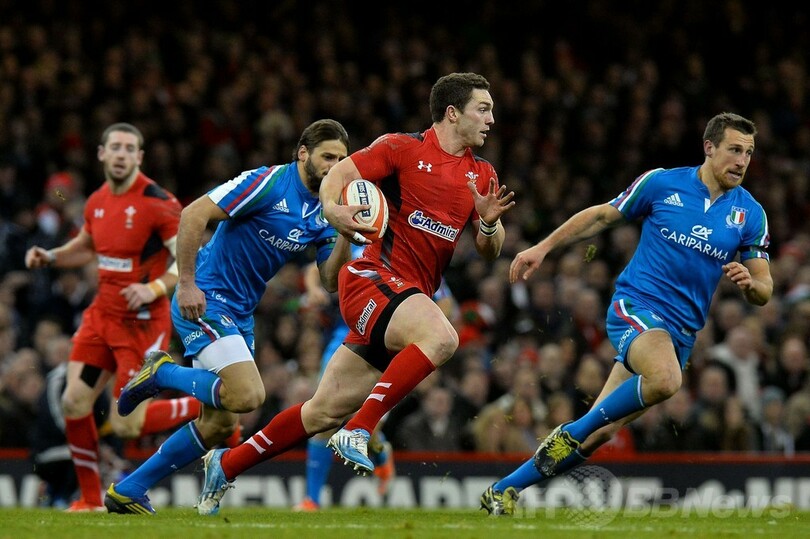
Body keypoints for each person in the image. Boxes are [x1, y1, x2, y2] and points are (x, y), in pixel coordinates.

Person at [194, 71, 515, 516]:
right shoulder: (401, 149)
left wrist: (489, 224)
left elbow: (489, 250)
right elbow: (339, 175)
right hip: (370, 278)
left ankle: (226, 464)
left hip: (403, 301)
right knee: (442, 337)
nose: (491, 119)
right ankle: (360, 430)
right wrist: (333, 210)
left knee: (321, 412)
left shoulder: (481, 173)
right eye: (483, 109)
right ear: (452, 113)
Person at [480, 112, 773, 516]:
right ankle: (572, 431)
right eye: (735, 150)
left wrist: (750, 284)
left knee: (600, 434)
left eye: (749, 153)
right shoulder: (662, 183)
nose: (742, 161)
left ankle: (503, 490)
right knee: (666, 380)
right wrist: (543, 247)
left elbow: (764, 288)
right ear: (709, 147)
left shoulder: (750, 213)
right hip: (636, 307)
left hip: (680, 334)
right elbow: (603, 215)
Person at [103, 118, 353, 514]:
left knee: (220, 425)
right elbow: (193, 214)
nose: (334, 166)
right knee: (249, 395)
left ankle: (128, 489)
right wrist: (187, 284)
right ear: (303, 153)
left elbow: (330, 281)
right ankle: (162, 372)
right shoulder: (268, 182)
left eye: (341, 159)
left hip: (240, 312)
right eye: (327, 157)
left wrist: (345, 234)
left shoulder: (327, 209)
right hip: (206, 298)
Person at [24, 123, 203, 512]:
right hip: (101, 317)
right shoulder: (97, 201)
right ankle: (89, 500)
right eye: (115, 147)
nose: (122, 154)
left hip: (141, 324)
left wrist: (154, 288)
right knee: (74, 402)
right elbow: (86, 246)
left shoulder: (158, 202)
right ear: (102, 154)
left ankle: (205, 405)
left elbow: (187, 258)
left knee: (126, 424)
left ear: (139, 157)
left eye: (129, 148)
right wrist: (51, 256)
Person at [296, 253, 458, 511]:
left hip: (385, 345)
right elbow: (314, 270)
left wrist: (427, 330)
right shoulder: (357, 247)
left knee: (365, 419)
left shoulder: (410, 255)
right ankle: (311, 499)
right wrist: (314, 289)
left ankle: (379, 449)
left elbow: (445, 301)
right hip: (345, 341)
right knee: (325, 415)